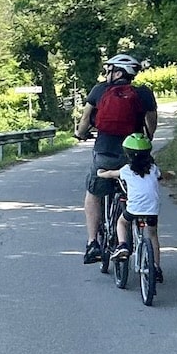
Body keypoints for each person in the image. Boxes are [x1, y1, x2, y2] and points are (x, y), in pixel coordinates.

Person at [74, 53, 157, 263]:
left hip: (106, 152)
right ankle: (140, 240)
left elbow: (85, 120)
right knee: (135, 189)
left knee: (93, 191)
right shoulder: (143, 93)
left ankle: (93, 243)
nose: (107, 74)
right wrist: (147, 138)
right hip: (134, 154)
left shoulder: (99, 90)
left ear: (118, 72)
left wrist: (81, 134)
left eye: (109, 70)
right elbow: (152, 123)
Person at [97, 133, 166, 282]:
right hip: (152, 210)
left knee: (121, 222)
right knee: (153, 235)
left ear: (127, 154)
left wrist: (101, 173)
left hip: (133, 209)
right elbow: (161, 176)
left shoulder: (127, 170)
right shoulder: (153, 169)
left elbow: (110, 174)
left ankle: (122, 245)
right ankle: (156, 267)